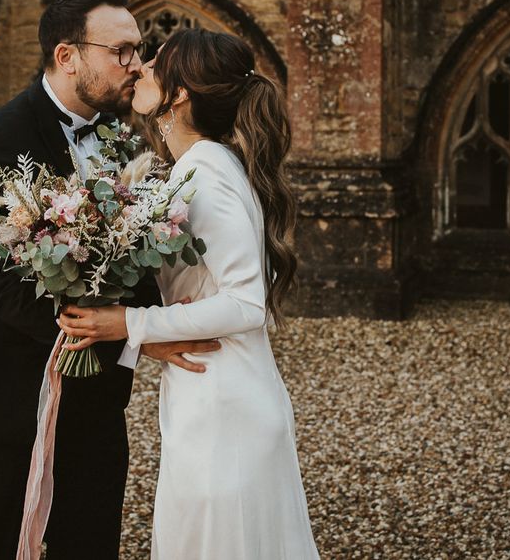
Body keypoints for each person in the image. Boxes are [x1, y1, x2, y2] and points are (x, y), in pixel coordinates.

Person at [0, 0, 221, 560]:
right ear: (67, 56)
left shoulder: (120, 139)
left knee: (91, 543)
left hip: (95, 395)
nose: (137, 65)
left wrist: (151, 318)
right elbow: (8, 292)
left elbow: (134, 257)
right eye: (123, 52)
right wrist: (133, 335)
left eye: (139, 50)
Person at [59, 28, 321, 559]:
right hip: (212, 393)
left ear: (178, 95)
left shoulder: (207, 171)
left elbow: (247, 302)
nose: (142, 68)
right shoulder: (197, 167)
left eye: (155, 63)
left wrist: (130, 325)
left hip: (227, 405)